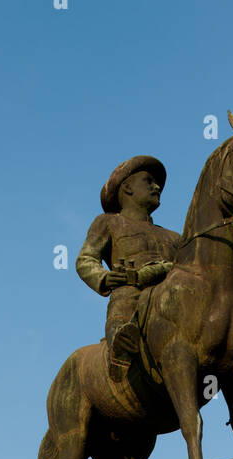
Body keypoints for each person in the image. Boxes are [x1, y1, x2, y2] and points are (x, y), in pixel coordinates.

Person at [75, 156, 180, 378]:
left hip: (172, 298)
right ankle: (120, 349)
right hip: (130, 294)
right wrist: (104, 278)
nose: (157, 186)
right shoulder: (108, 222)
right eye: (149, 181)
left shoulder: (174, 237)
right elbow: (85, 260)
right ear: (128, 187)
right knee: (124, 308)